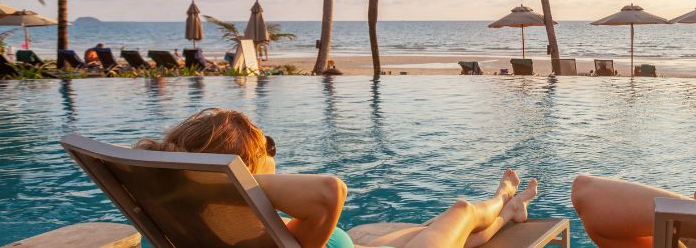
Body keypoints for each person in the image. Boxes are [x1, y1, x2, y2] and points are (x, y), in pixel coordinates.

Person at [133, 109, 538, 248]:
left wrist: (196, 180)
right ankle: (504, 195)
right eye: (267, 147)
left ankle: (510, 211)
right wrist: (230, 179)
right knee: (463, 211)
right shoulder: (244, 202)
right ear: (242, 170)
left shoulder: (184, 221)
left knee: (453, 235)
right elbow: (330, 190)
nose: (274, 153)